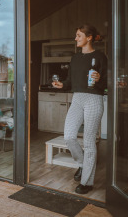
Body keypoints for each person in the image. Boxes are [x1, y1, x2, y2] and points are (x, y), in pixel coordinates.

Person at [52, 24, 107, 194]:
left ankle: (87, 182)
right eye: (76, 36)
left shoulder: (100, 57)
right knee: (69, 136)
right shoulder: (75, 58)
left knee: (89, 141)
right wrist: (62, 84)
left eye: (78, 35)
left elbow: (107, 83)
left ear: (89, 37)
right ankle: (83, 165)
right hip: (77, 98)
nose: (75, 38)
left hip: (94, 98)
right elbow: (70, 81)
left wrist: (99, 79)